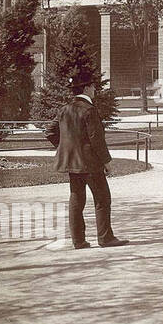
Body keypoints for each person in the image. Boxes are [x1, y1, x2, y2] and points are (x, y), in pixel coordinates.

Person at [45, 73, 128, 249]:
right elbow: (96, 139)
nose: (95, 89)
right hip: (91, 164)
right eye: (93, 86)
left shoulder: (65, 109)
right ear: (86, 88)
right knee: (103, 199)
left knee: (76, 200)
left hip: (72, 164)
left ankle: (78, 241)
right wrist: (107, 162)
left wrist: (65, 148)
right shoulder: (89, 110)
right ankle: (105, 238)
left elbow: (50, 131)